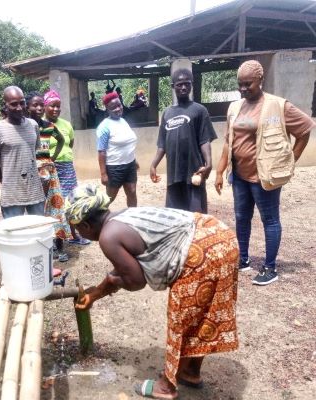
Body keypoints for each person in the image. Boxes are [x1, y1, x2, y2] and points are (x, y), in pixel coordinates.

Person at [66, 184, 239, 400]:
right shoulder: (123, 216)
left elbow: (135, 281)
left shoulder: (107, 237)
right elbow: (124, 269)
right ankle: (190, 372)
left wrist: (105, 286)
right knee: (199, 316)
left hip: (202, 252)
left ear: (84, 225)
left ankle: (166, 387)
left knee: (182, 319)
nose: (77, 233)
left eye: (76, 228)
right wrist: (97, 293)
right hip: (220, 236)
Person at [215, 59, 315, 285]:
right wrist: (220, 172)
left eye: (247, 84)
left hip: (264, 177)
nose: (242, 89)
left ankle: (270, 267)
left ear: (260, 80)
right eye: (240, 84)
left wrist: (290, 161)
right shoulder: (235, 107)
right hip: (239, 176)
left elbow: (305, 129)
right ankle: (243, 259)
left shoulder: (278, 106)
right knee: (242, 218)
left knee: (270, 220)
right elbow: (227, 142)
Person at [150, 68, 217, 213]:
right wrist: (153, 164)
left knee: (196, 216)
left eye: (187, 83)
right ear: (173, 86)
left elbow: (205, 140)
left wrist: (209, 163)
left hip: (194, 172)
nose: (184, 87)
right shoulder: (167, 113)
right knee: (175, 216)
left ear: (192, 84)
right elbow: (162, 143)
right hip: (173, 174)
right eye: (179, 84)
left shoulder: (200, 110)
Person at [26, 91, 71, 262]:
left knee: (56, 207)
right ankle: (41, 246)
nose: (38, 108)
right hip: (31, 172)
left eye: (40, 105)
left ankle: (59, 247)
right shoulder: (25, 126)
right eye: (34, 105)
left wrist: (52, 157)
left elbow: (60, 140)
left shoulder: (48, 126)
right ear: (27, 107)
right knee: (37, 210)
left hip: (49, 171)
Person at [0, 86, 45, 218]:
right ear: (5, 105)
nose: (19, 107)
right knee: (14, 235)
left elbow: (34, 154)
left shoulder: (33, 125)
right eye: (14, 104)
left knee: (37, 232)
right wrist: (7, 182)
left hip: (35, 191)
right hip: (11, 195)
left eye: (22, 102)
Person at [43, 89, 90, 245]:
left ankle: (73, 236)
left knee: (71, 201)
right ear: (44, 107)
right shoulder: (40, 126)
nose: (55, 109)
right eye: (52, 106)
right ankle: (57, 240)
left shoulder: (66, 125)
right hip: (51, 169)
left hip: (67, 168)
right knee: (55, 204)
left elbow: (70, 144)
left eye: (58, 106)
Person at [97, 92, 138, 207]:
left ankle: (132, 217)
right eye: (113, 107)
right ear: (107, 109)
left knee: (132, 191)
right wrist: (103, 174)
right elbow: (101, 151)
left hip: (130, 165)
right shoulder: (104, 127)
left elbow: (128, 144)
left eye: (119, 105)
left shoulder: (123, 121)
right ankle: (97, 218)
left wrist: (135, 160)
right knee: (110, 198)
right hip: (114, 167)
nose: (118, 109)